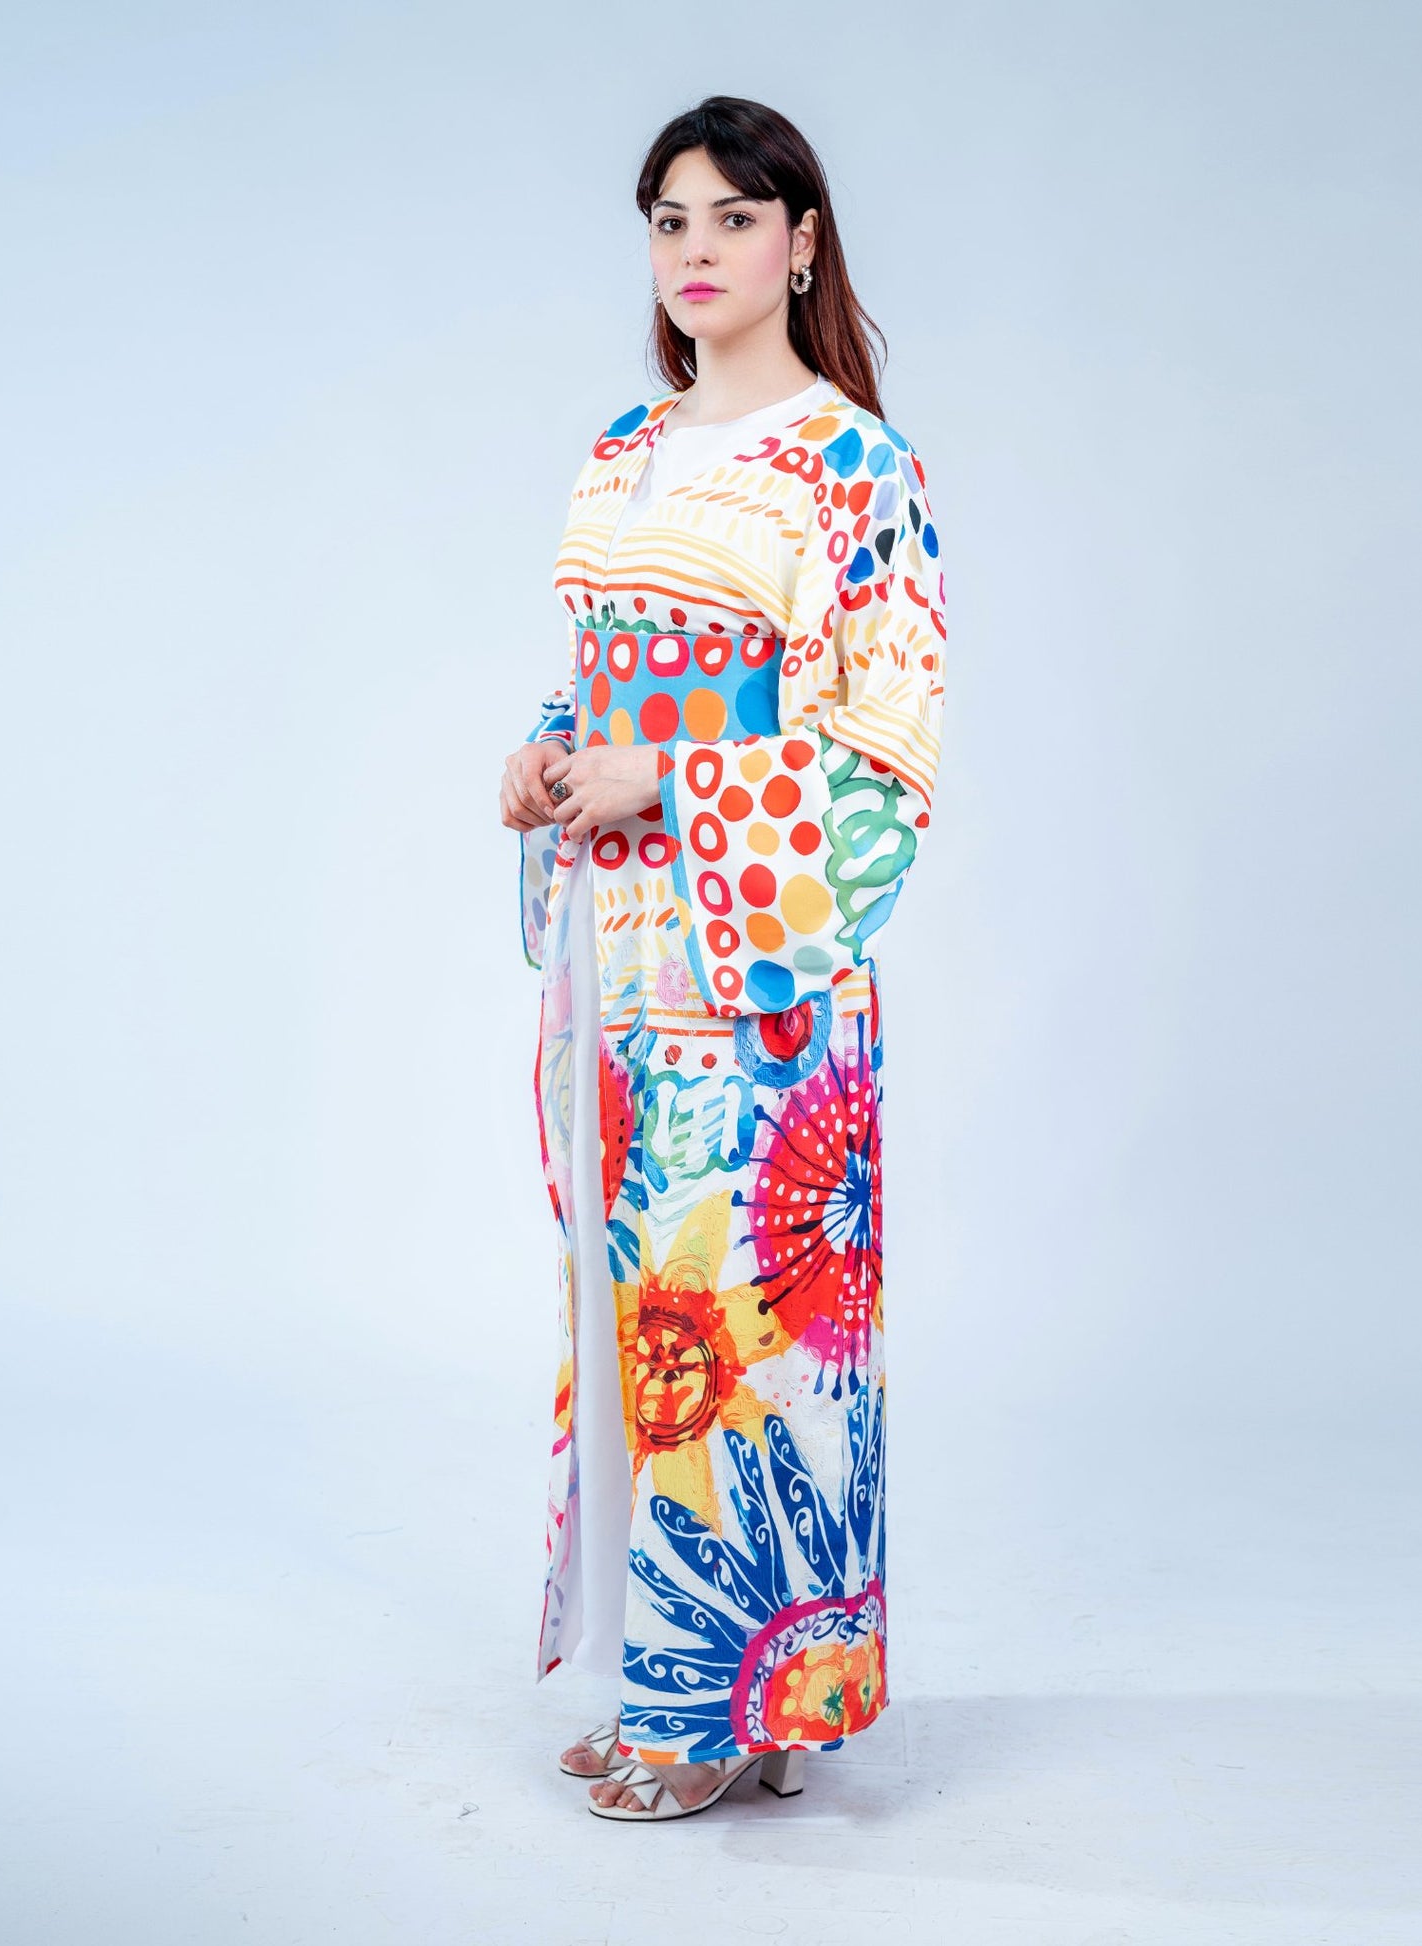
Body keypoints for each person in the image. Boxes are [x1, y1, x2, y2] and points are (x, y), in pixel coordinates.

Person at [497, 95, 947, 1824]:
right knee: (639, 1317)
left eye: (733, 219)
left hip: (758, 965)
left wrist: (670, 784)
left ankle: (725, 1711)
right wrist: (547, 758)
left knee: (742, 1319)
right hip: (615, 951)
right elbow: (594, 675)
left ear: (801, 241)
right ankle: (679, 1685)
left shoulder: (853, 465)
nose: (695, 252)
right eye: (669, 221)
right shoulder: (622, 447)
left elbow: (884, 762)